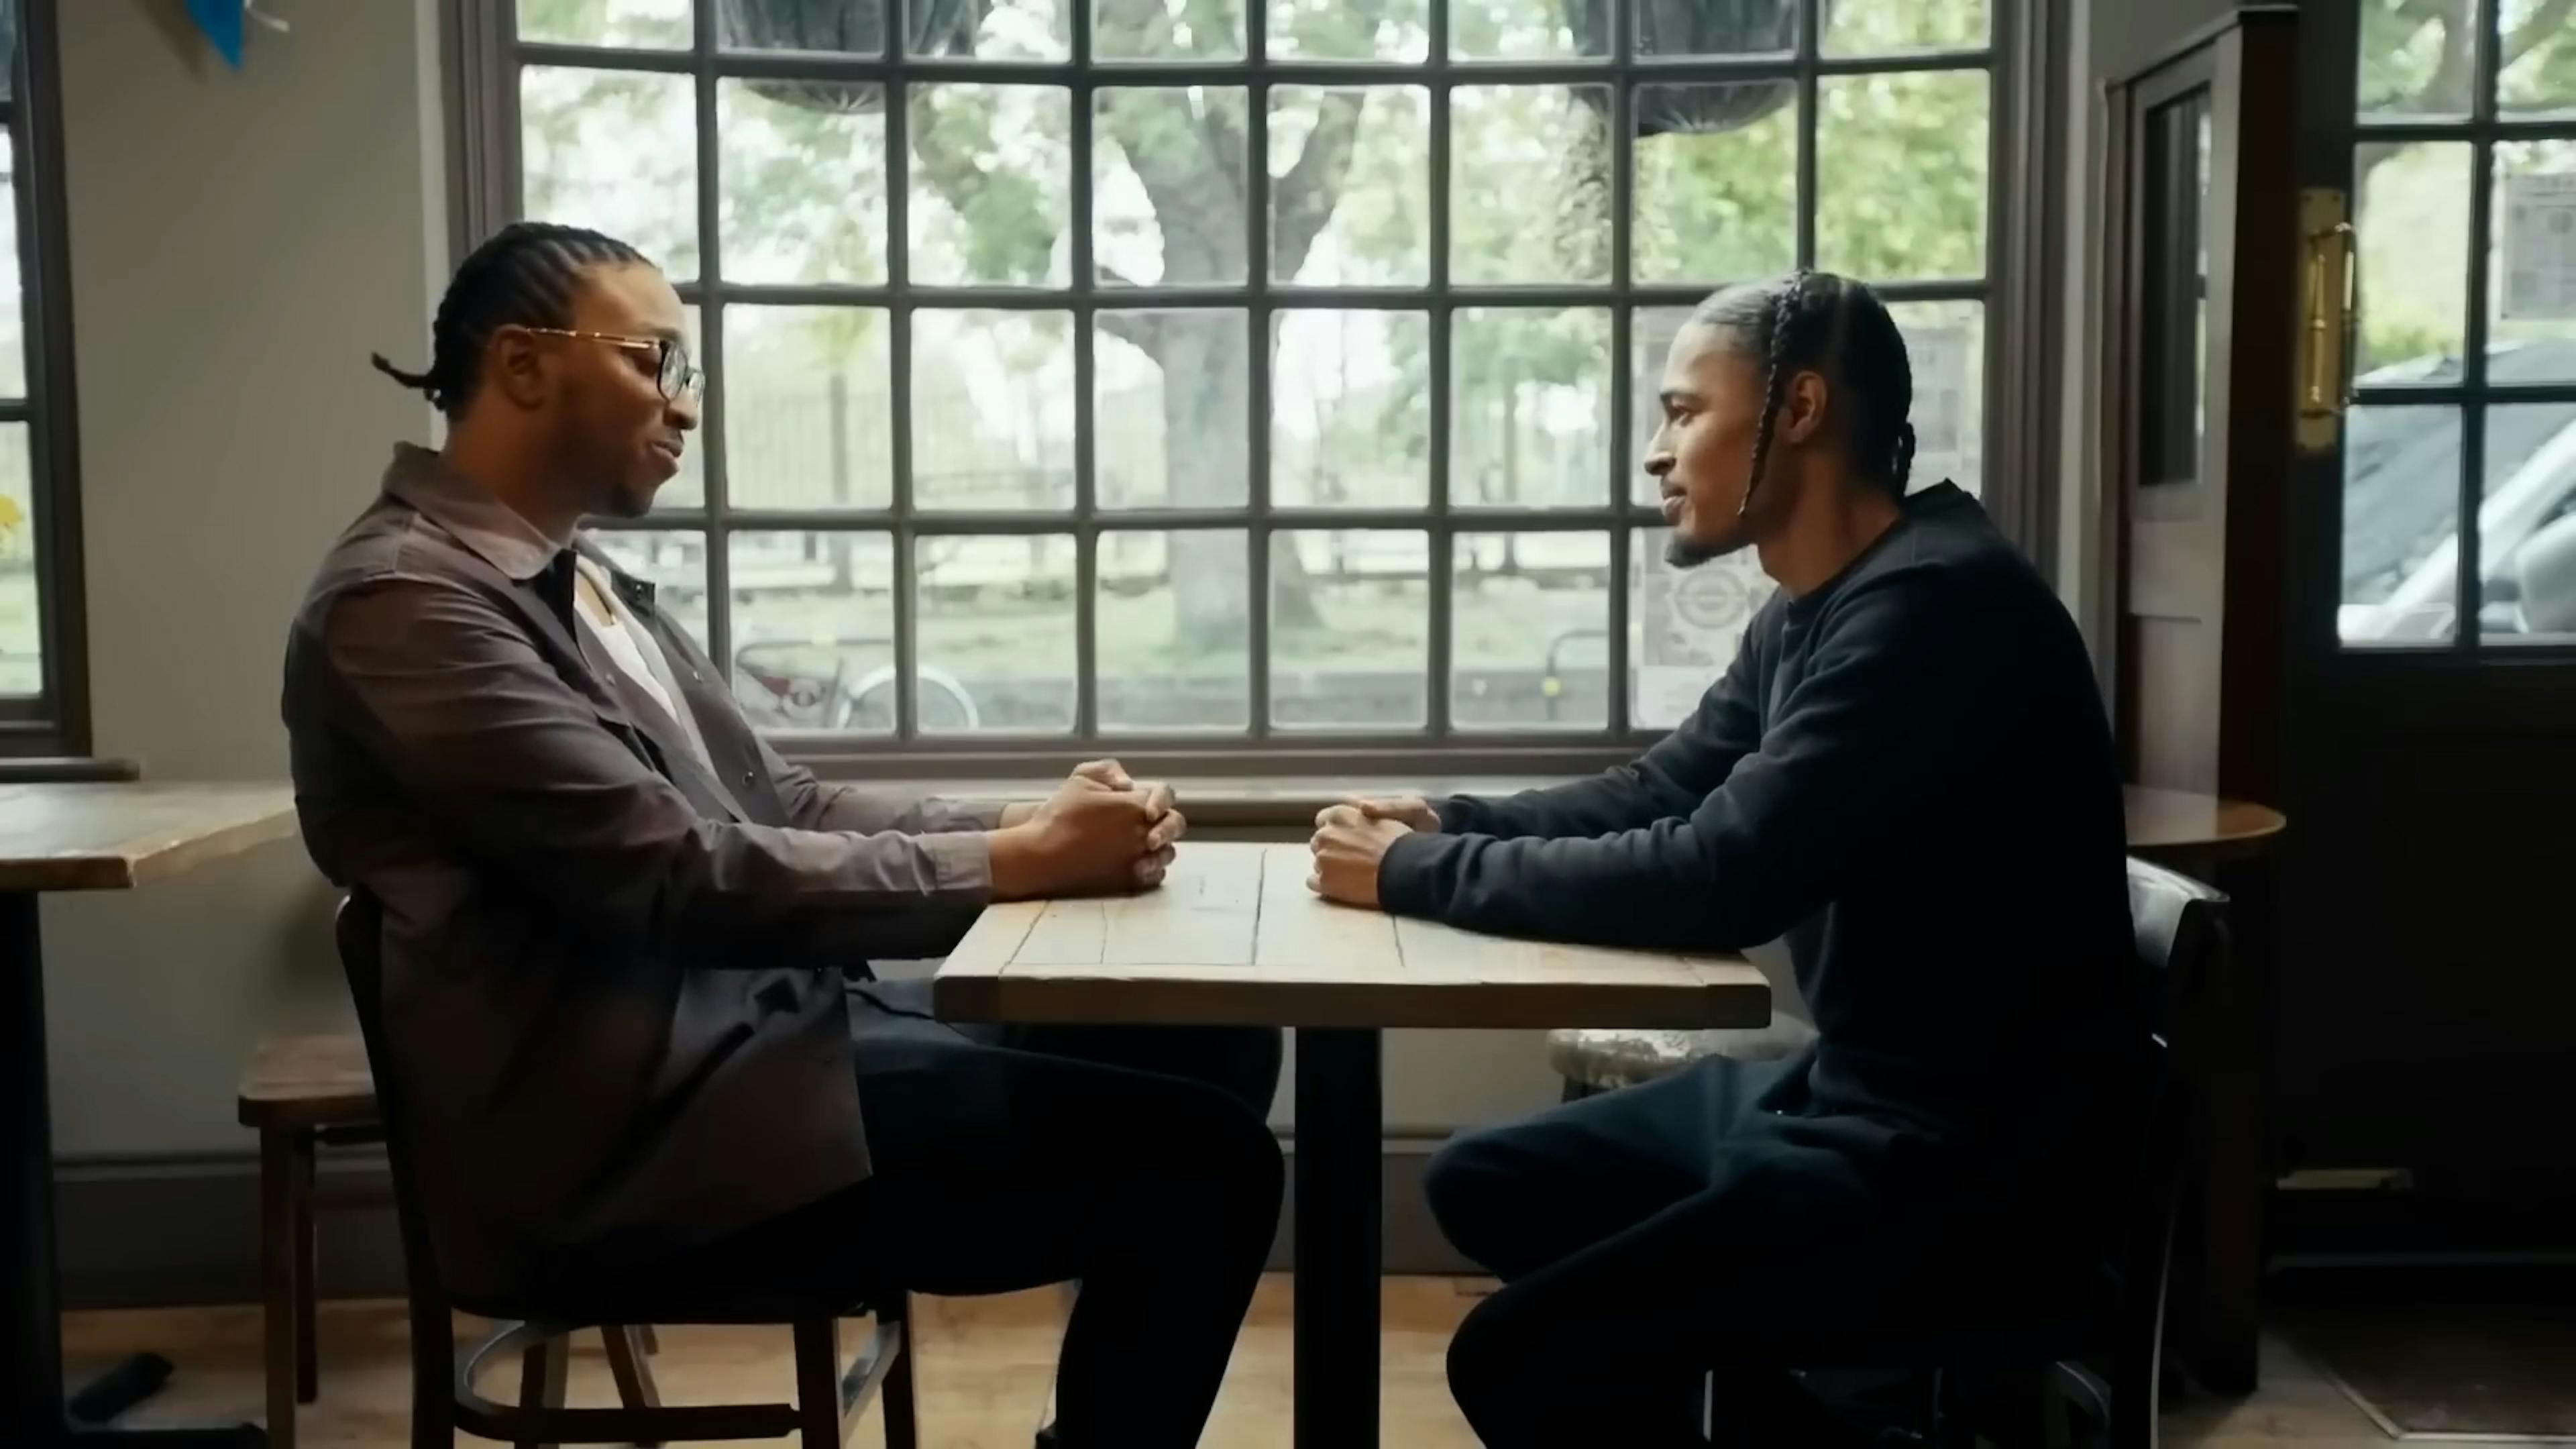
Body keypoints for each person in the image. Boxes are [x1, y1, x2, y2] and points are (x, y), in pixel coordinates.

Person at [283, 221, 1282, 1449]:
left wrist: (1028, 825)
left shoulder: (576, 580)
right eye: (654, 361)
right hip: (648, 1141)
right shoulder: (407, 603)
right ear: (524, 366)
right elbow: (677, 876)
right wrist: (1018, 864)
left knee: (1207, 1032)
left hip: (768, 1048)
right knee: (1207, 1168)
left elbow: (783, 805)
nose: (686, 406)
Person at [1308, 271, 2137, 1446]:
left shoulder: (1935, 607)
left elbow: (1717, 876)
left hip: (1963, 1160)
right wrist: (1451, 821)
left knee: (1513, 1360)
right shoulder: (1816, 607)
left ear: (1800, 407)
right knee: (1484, 1182)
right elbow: (1664, 791)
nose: (1657, 451)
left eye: (1684, 411)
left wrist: (1408, 876)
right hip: (1849, 1096)